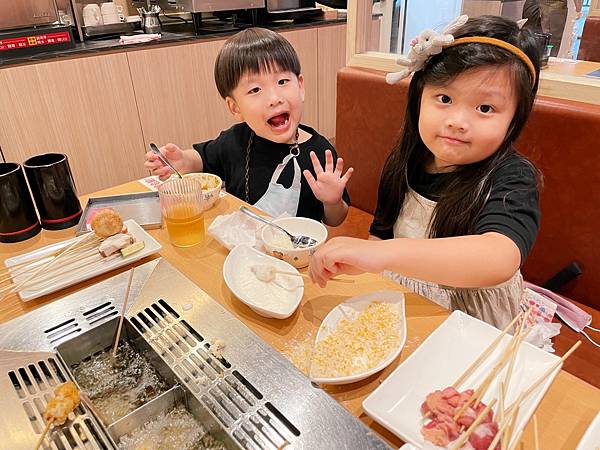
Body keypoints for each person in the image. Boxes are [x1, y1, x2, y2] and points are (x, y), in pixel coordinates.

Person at [309, 15, 542, 328]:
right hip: (404, 294)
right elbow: (380, 235)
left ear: (515, 119)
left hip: (472, 318)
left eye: (485, 108)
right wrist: (362, 260)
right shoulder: (403, 163)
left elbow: (500, 257)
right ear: (419, 99)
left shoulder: (512, 176)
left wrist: (386, 255)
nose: (458, 121)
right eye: (444, 98)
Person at [144, 27, 352, 226]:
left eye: (282, 81)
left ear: (301, 85)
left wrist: (332, 201)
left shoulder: (320, 153)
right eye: (255, 89)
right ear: (235, 108)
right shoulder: (235, 140)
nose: (274, 98)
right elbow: (202, 159)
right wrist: (182, 160)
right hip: (243, 254)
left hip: (299, 259)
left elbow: (336, 219)